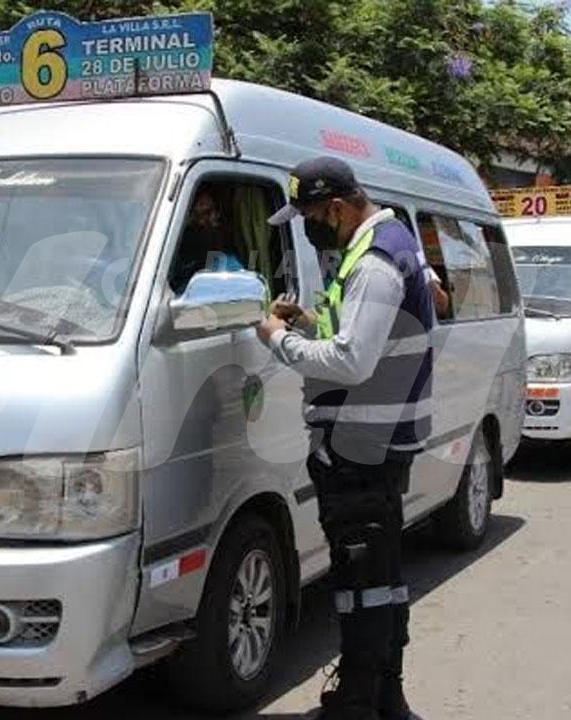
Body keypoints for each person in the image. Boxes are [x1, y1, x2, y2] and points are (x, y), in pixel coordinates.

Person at [257, 156, 433, 720]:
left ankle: (358, 703)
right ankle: (386, 696)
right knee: (382, 578)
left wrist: (278, 339)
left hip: (362, 445)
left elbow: (353, 361)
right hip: (374, 442)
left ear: (336, 208)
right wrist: (310, 322)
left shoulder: (375, 261)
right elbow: (360, 334)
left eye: (310, 218)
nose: (310, 230)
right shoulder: (381, 247)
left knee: (361, 582)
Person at [169, 188, 245, 293]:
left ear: (218, 216)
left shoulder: (228, 268)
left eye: (207, 213)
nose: (201, 222)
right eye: (194, 215)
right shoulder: (172, 263)